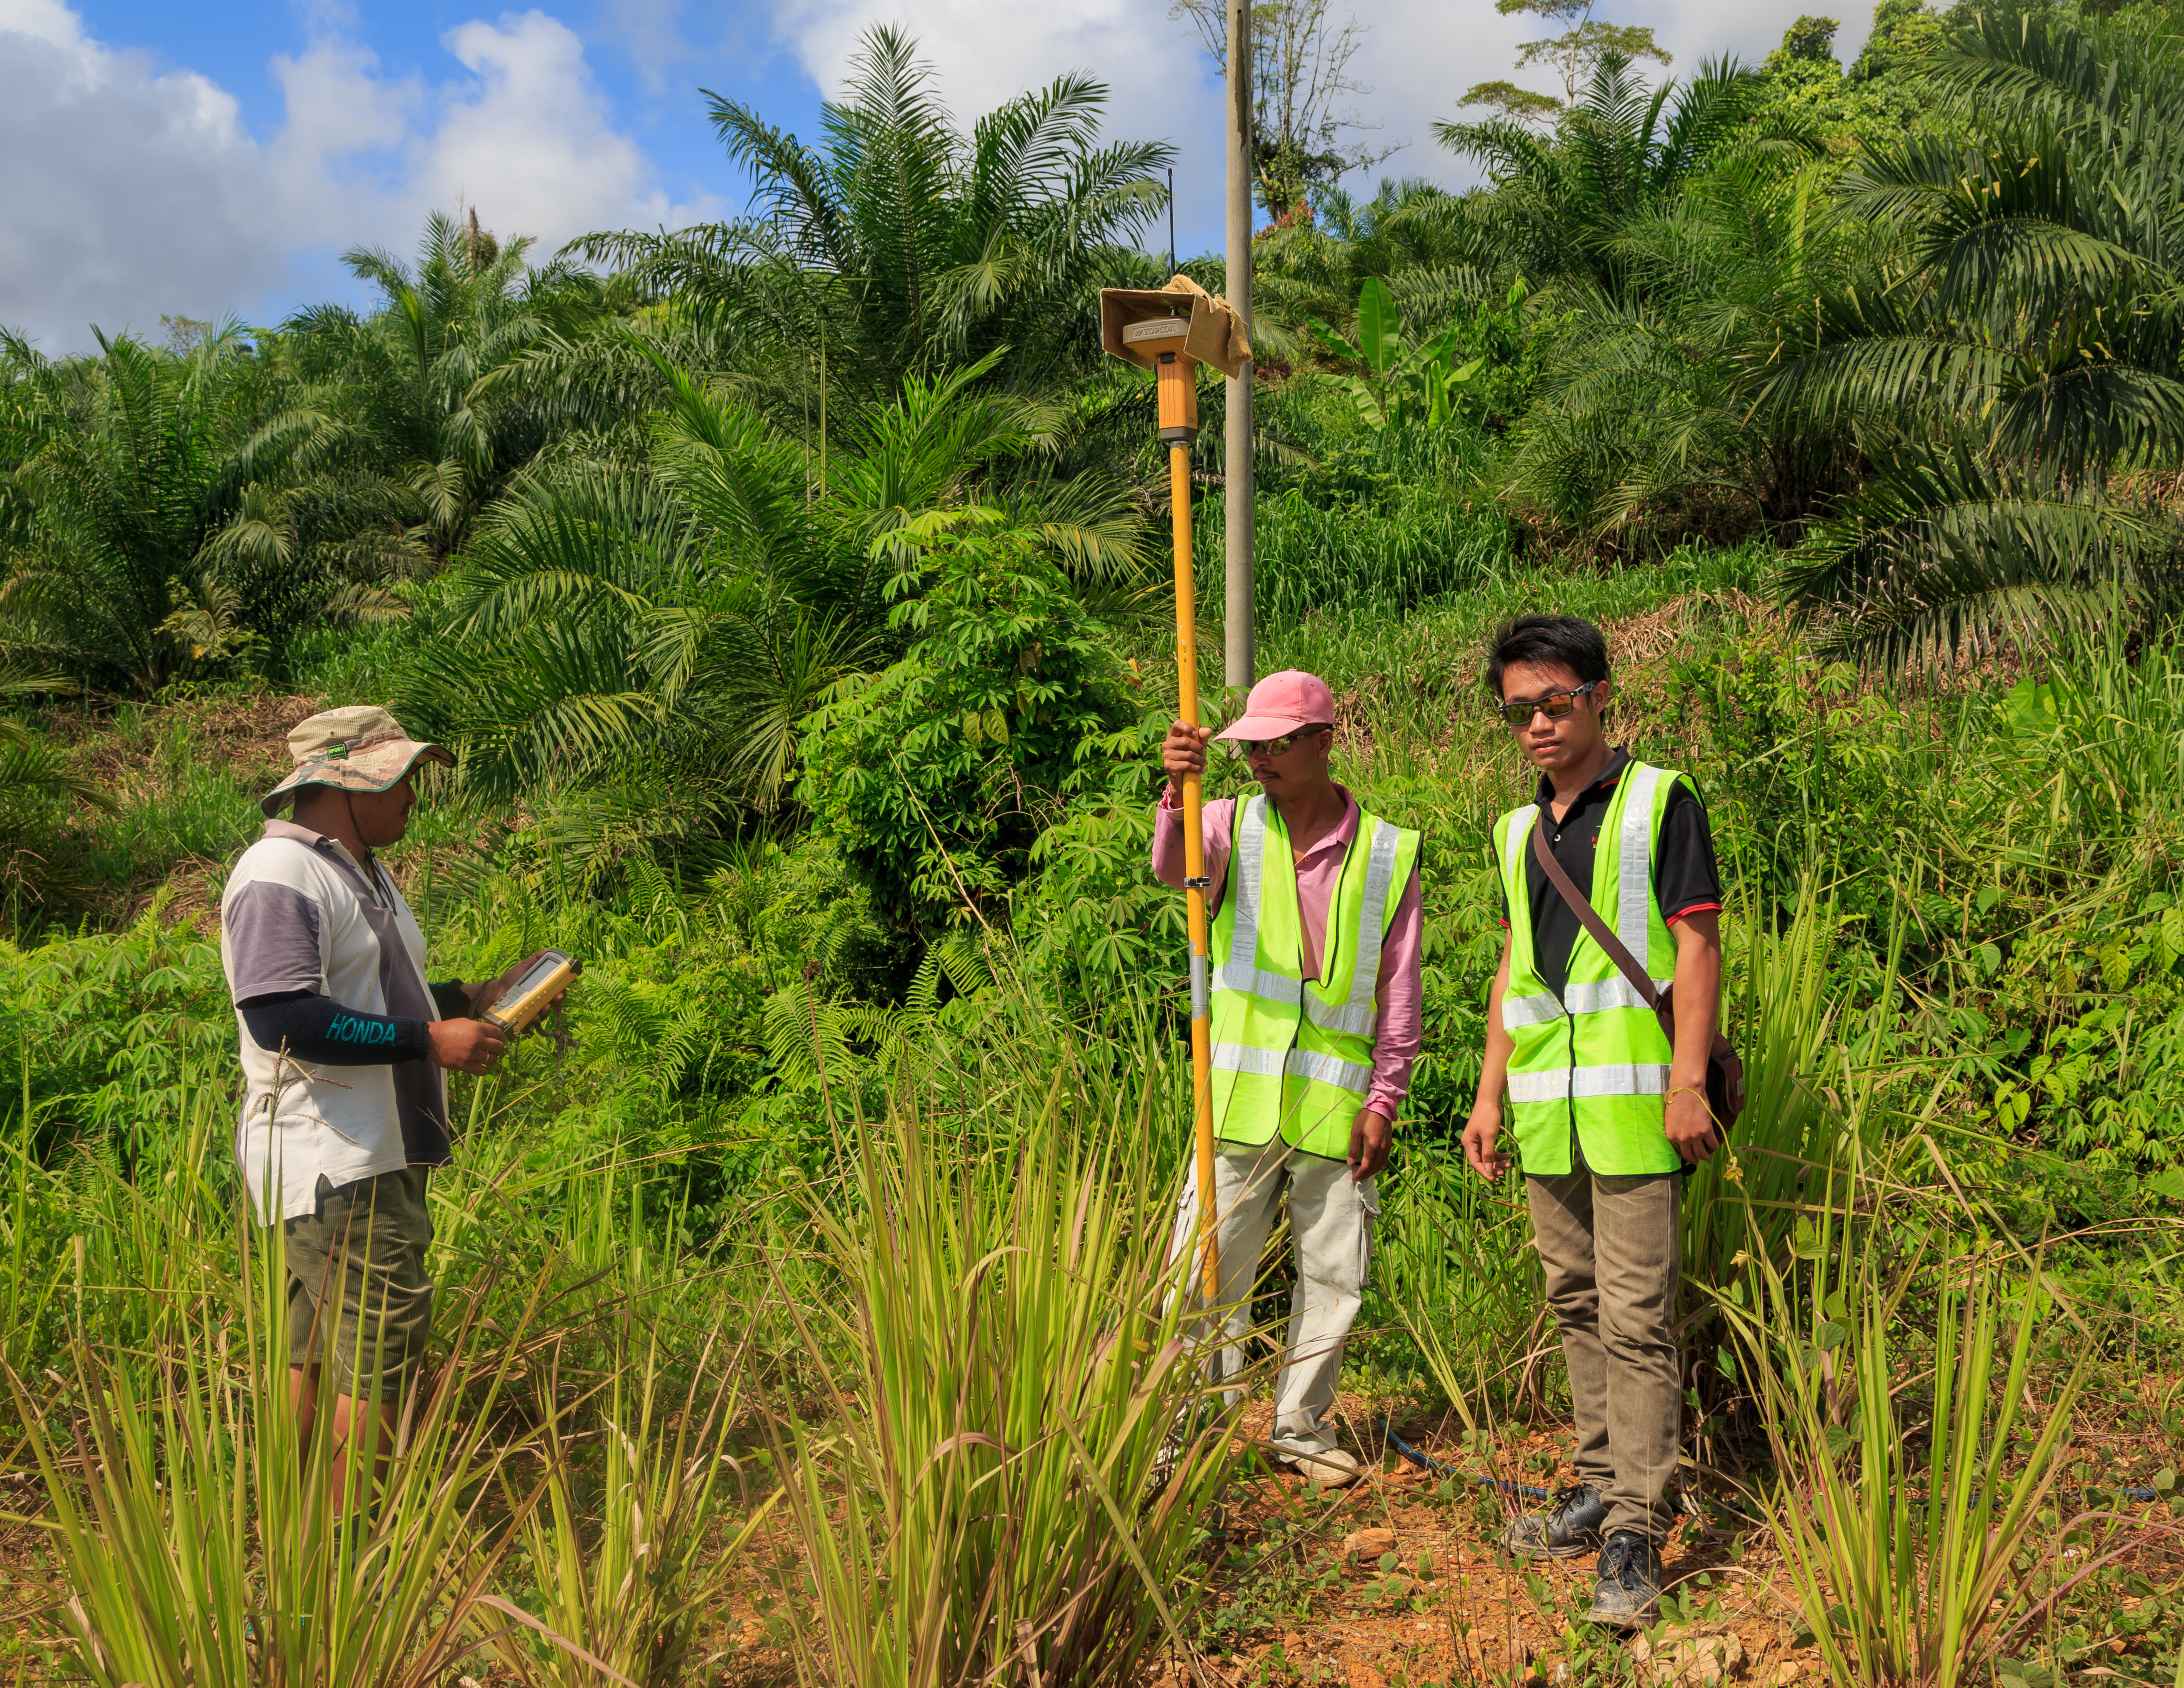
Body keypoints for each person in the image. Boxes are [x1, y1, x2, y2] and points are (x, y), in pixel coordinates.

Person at [219, 705, 555, 1512]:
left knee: (315, 1356)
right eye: (401, 777)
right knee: (377, 1361)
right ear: (340, 778)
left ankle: (290, 1546)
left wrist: (473, 999)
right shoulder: (280, 874)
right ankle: (346, 1566)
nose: (413, 794)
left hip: (363, 1155)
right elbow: (282, 1017)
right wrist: (427, 1043)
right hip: (341, 1160)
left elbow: (366, 997)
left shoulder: (354, 867)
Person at [1459, 616, 1724, 1627]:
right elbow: (1511, 969)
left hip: (1636, 1107)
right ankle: (1601, 1481)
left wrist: (1686, 1078)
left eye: (1554, 701)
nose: (1535, 722)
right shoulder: (1514, 832)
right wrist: (1488, 1097)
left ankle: (1635, 1530)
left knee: (1637, 1315)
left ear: (1599, 695)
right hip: (1545, 1113)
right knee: (1575, 1301)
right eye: (1517, 708)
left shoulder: (1661, 800)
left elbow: (1695, 947)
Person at [1156, 670, 1424, 1489]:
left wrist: (1385, 1097)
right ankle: (1179, 1427)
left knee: (1335, 1273)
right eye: (1251, 745)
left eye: (1277, 743)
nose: (1260, 758)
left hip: (1335, 1103)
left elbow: (1399, 983)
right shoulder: (1221, 821)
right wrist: (1174, 787)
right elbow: (1176, 872)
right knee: (1202, 1266)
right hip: (1236, 1097)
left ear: (1323, 741)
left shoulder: (1386, 849)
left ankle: (1298, 1425)